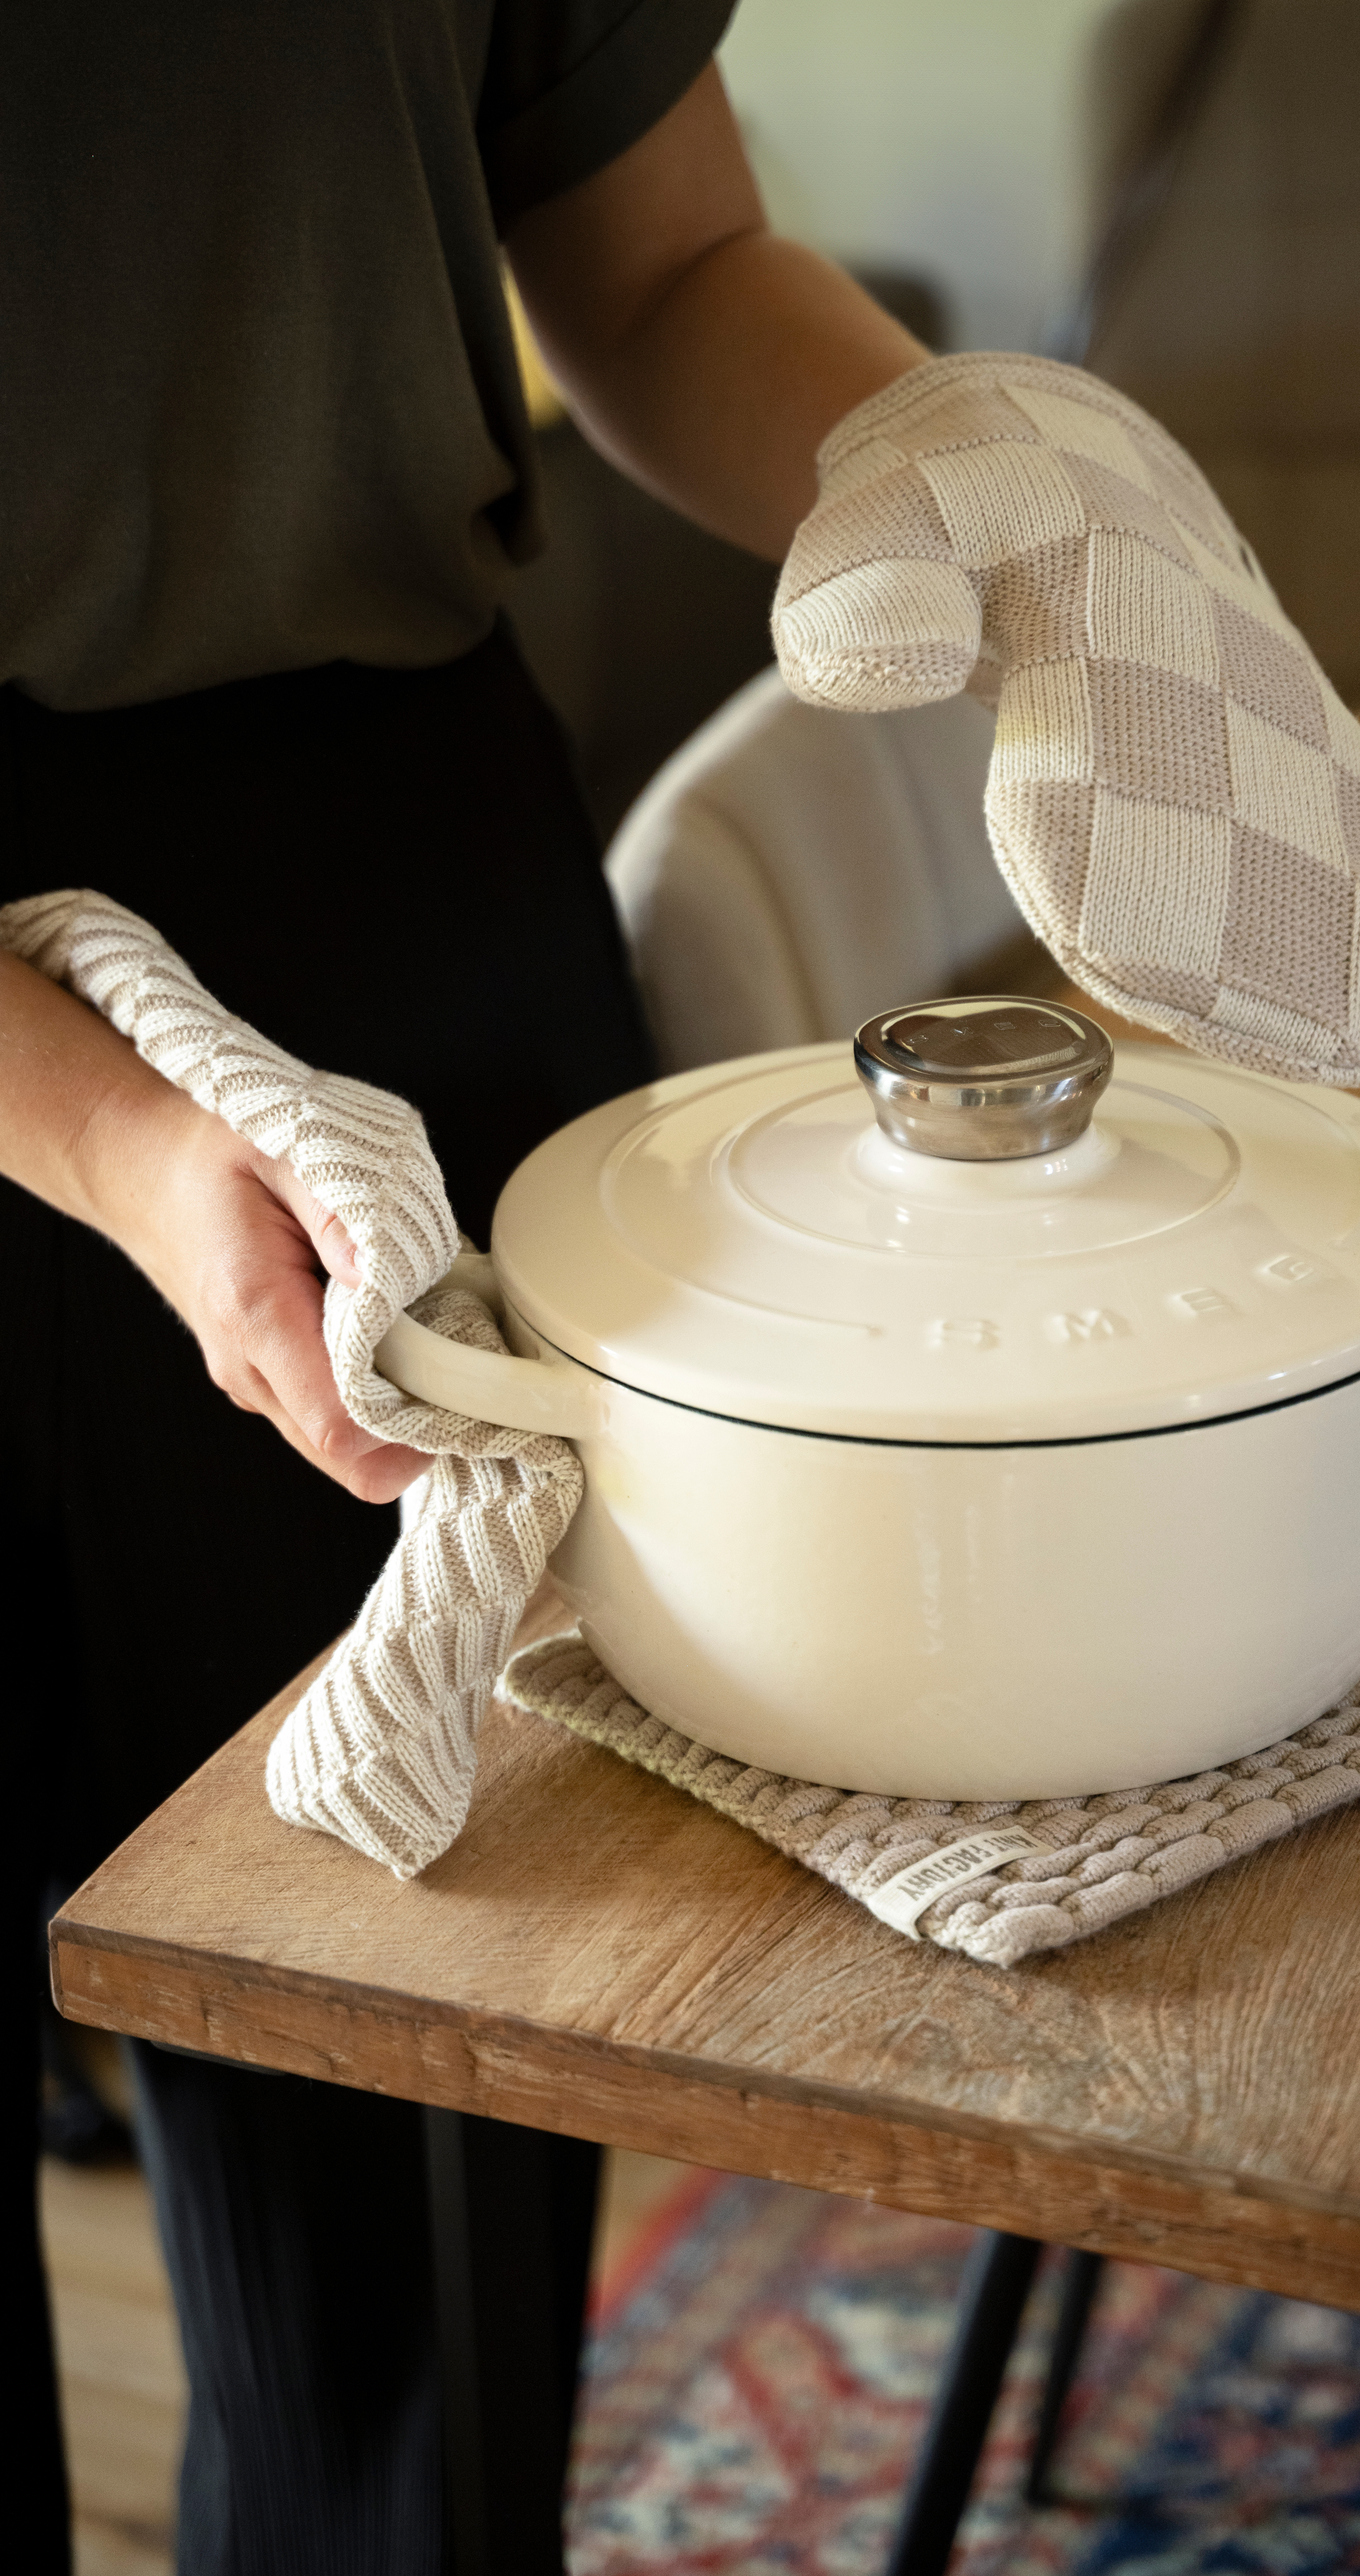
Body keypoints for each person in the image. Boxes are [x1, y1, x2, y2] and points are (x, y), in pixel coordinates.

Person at [0, 7, 929, 2568]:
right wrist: (103, 1128)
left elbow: (668, 257)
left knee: (409, 2242)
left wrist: (982, 474)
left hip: (395, 897)